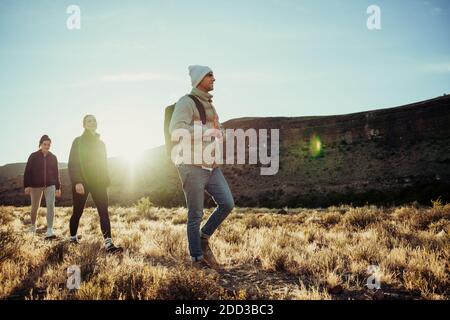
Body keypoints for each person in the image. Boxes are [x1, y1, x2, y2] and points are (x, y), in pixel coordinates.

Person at [169, 65, 235, 269]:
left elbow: (217, 127)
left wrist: (220, 132)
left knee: (227, 203)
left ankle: (203, 238)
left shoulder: (210, 105)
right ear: (199, 79)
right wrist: (206, 131)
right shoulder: (186, 102)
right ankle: (197, 258)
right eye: (210, 75)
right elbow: (176, 129)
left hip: (211, 165)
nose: (214, 79)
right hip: (191, 165)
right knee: (195, 214)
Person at [68, 115, 123, 253]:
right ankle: (72, 238)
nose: (92, 123)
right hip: (82, 182)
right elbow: (72, 163)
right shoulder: (78, 141)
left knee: (104, 212)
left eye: (94, 120)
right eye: (89, 121)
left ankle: (108, 244)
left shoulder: (101, 144)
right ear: (84, 125)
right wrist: (77, 181)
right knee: (77, 212)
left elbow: (103, 164)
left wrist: (105, 180)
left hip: (99, 183)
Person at [23, 135, 61, 239]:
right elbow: (27, 171)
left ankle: (49, 229)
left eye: (49, 144)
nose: (47, 146)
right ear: (40, 144)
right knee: (35, 207)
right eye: (45, 144)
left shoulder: (53, 157)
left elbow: (56, 173)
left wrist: (58, 187)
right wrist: (27, 185)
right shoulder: (33, 156)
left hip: (50, 185)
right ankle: (33, 226)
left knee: (50, 206)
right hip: (35, 185)